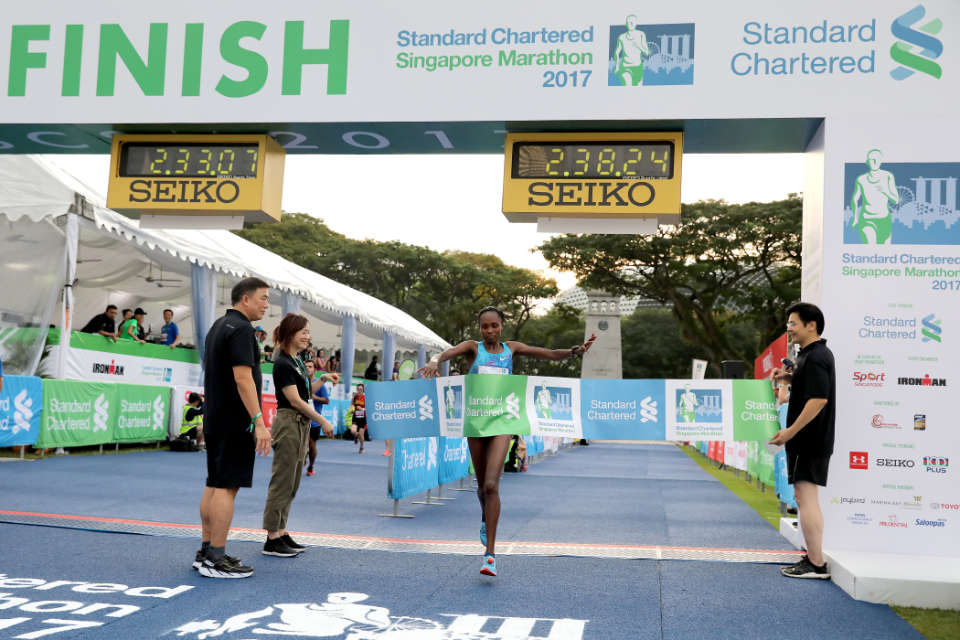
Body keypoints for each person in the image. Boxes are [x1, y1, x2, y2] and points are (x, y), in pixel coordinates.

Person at [418, 305, 597, 577]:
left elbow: (549, 354)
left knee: (491, 485)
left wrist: (574, 352)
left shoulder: (511, 349)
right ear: (480, 329)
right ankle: (485, 519)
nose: (489, 331)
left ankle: (489, 555)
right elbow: (446, 353)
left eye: (494, 326)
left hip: (503, 421)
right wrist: (434, 361)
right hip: (476, 421)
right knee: (481, 488)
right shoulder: (472, 348)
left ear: (502, 326)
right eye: (485, 326)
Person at [195, 277, 272, 579]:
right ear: (245, 299)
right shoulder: (242, 330)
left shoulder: (218, 326)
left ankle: (206, 551)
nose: (266, 304)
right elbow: (243, 379)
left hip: (215, 417)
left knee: (214, 484)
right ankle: (216, 556)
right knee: (227, 486)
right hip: (233, 420)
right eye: (263, 298)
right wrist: (259, 422)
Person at [770, 302, 836, 580]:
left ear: (811, 325)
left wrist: (790, 431)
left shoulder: (818, 355)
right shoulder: (809, 355)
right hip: (808, 440)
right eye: (788, 325)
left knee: (805, 499)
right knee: (803, 497)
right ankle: (813, 557)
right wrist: (788, 377)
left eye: (793, 324)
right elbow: (809, 387)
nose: (789, 330)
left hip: (809, 440)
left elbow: (819, 399)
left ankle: (816, 562)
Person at [262, 313, 336, 557]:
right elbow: (294, 400)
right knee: (282, 480)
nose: (307, 336)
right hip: (289, 423)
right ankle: (272, 537)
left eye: (308, 331)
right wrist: (321, 419)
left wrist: (322, 378)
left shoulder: (297, 361)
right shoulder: (283, 362)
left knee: (293, 481)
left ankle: (281, 531)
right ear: (290, 333)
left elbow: (304, 393)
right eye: (302, 331)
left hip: (300, 424)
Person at [850, 149, 898, 245]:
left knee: (885, 253)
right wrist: (855, 218)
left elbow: (896, 200)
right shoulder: (861, 179)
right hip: (867, 219)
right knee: (871, 248)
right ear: (867, 161)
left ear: (881, 160)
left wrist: (885, 191)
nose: (875, 162)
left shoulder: (888, 176)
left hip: (884, 219)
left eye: (877, 159)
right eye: (872, 159)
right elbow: (854, 199)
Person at [305, 359, 332, 477]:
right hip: (301, 420)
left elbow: (327, 401)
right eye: (305, 367)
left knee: (311, 445)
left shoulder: (319, 384)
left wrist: (315, 397)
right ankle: (302, 456)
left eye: (310, 367)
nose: (308, 369)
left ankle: (311, 465)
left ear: (315, 370)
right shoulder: (300, 383)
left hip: (315, 422)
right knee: (302, 445)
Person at [613, 15, 649, 86]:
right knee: (628, 88)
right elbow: (617, 53)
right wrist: (617, 67)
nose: (631, 24)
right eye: (628, 22)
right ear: (626, 24)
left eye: (632, 22)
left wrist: (639, 46)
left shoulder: (641, 34)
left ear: (636, 23)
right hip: (625, 67)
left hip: (638, 67)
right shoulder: (621, 37)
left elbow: (646, 53)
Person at [351, 384, 367, 453]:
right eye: (358, 389)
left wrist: (362, 409)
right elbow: (352, 405)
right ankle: (356, 436)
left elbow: (369, 408)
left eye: (360, 389)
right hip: (355, 416)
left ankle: (362, 447)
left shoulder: (366, 398)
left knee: (361, 434)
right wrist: (351, 409)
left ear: (363, 390)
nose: (359, 391)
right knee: (353, 431)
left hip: (363, 417)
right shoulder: (354, 397)